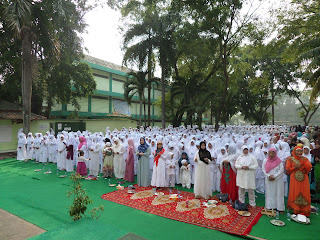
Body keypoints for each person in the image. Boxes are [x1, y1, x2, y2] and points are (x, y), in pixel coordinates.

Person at [286, 146, 312, 216]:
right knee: (295, 192)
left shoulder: (305, 159)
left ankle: (304, 209)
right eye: (297, 151)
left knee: (304, 192)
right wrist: (295, 167)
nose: (299, 153)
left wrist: (304, 162)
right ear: (294, 151)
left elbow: (309, 169)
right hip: (294, 179)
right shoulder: (290, 159)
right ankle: (295, 209)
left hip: (304, 179)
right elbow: (287, 170)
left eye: (300, 151)